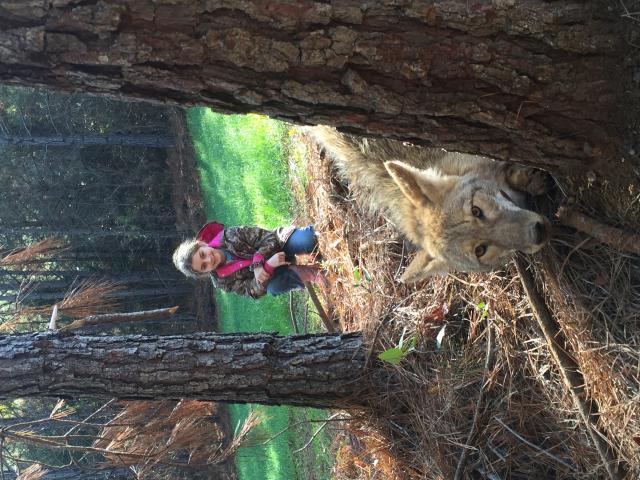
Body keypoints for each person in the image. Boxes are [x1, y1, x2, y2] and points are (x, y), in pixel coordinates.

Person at [172, 221, 326, 299]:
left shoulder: (229, 235)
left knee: (308, 239)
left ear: (202, 244)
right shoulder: (221, 281)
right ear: (204, 273)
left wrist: (259, 263)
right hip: (273, 275)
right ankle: (313, 273)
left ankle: (311, 249)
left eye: (202, 254)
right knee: (274, 288)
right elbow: (252, 291)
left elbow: (267, 237)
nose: (208, 259)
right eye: (204, 266)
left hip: (279, 244)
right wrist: (267, 267)